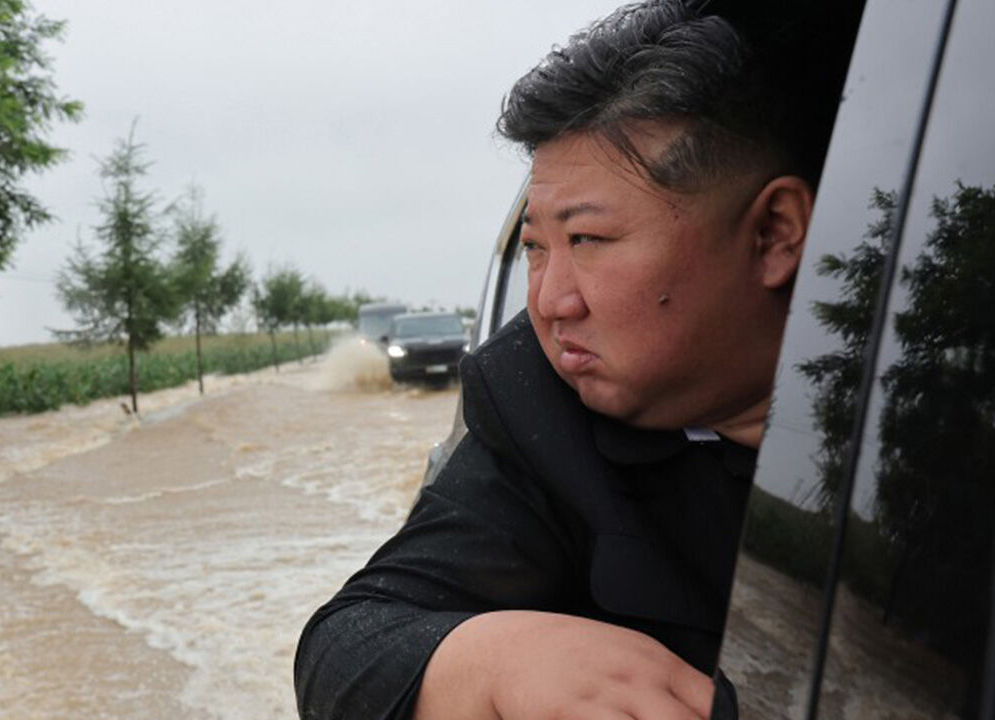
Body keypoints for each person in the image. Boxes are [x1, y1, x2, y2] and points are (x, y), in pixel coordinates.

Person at [295, 1, 850, 718]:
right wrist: (490, 662)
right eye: (535, 248)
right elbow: (348, 646)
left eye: (586, 240)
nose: (551, 302)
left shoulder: (937, 392)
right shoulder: (534, 401)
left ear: (775, 234)